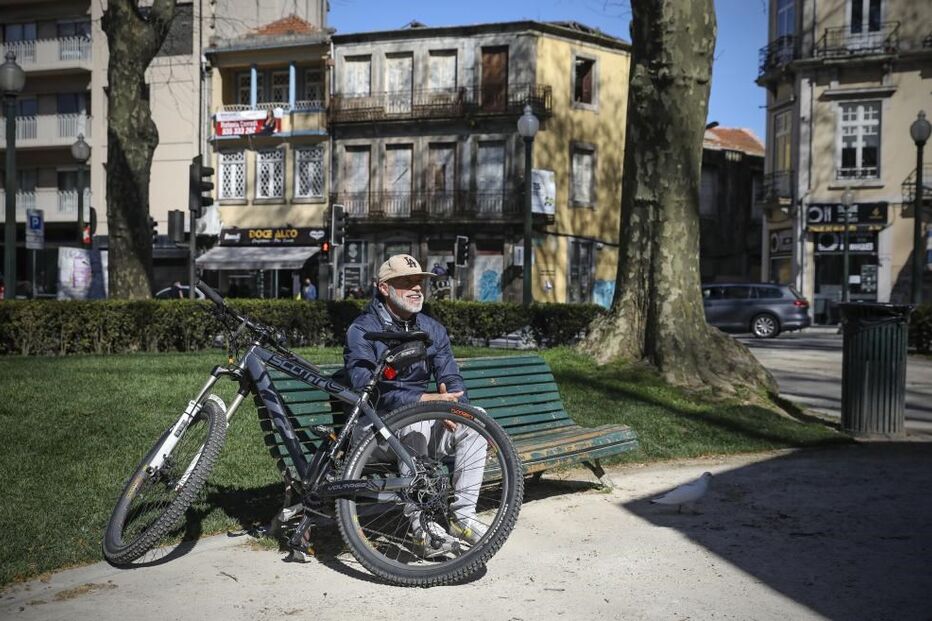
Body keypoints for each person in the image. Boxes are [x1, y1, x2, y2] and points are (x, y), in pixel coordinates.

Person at [344, 254, 487, 555]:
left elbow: (451, 377)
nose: (417, 289)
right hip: (372, 433)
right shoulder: (362, 329)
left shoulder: (431, 328)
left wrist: (455, 407)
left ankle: (462, 517)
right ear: (384, 288)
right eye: (406, 282)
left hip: (416, 430)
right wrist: (425, 401)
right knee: (418, 418)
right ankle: (424, 529)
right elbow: (366, 391)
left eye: (419, 282)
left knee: (476, 421)